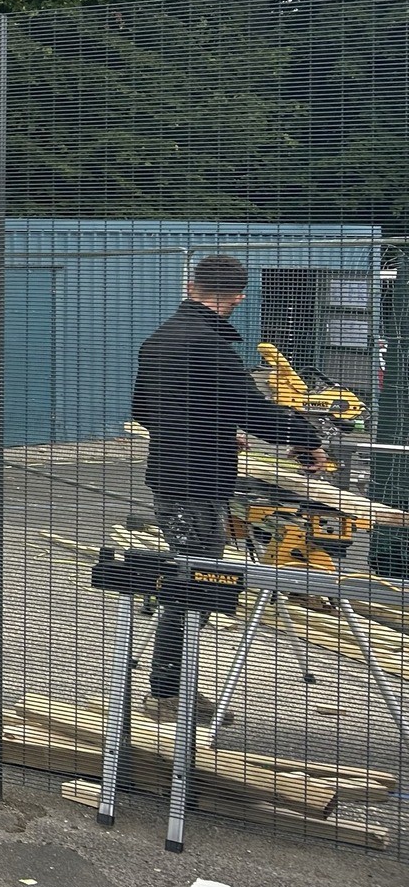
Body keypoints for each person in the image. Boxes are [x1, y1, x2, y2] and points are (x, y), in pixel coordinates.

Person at [129, 254, 328, 722]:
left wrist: (216, 430)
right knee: (193, 588)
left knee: (188, 582)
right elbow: (257, 413)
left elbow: (145, 410)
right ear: (237, 297)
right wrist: (307, 440)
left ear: (191, 284)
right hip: (197, 485)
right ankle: (166, 695)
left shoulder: (160, 339)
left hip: (168, 477)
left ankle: (169, 689)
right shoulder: (210, 345)